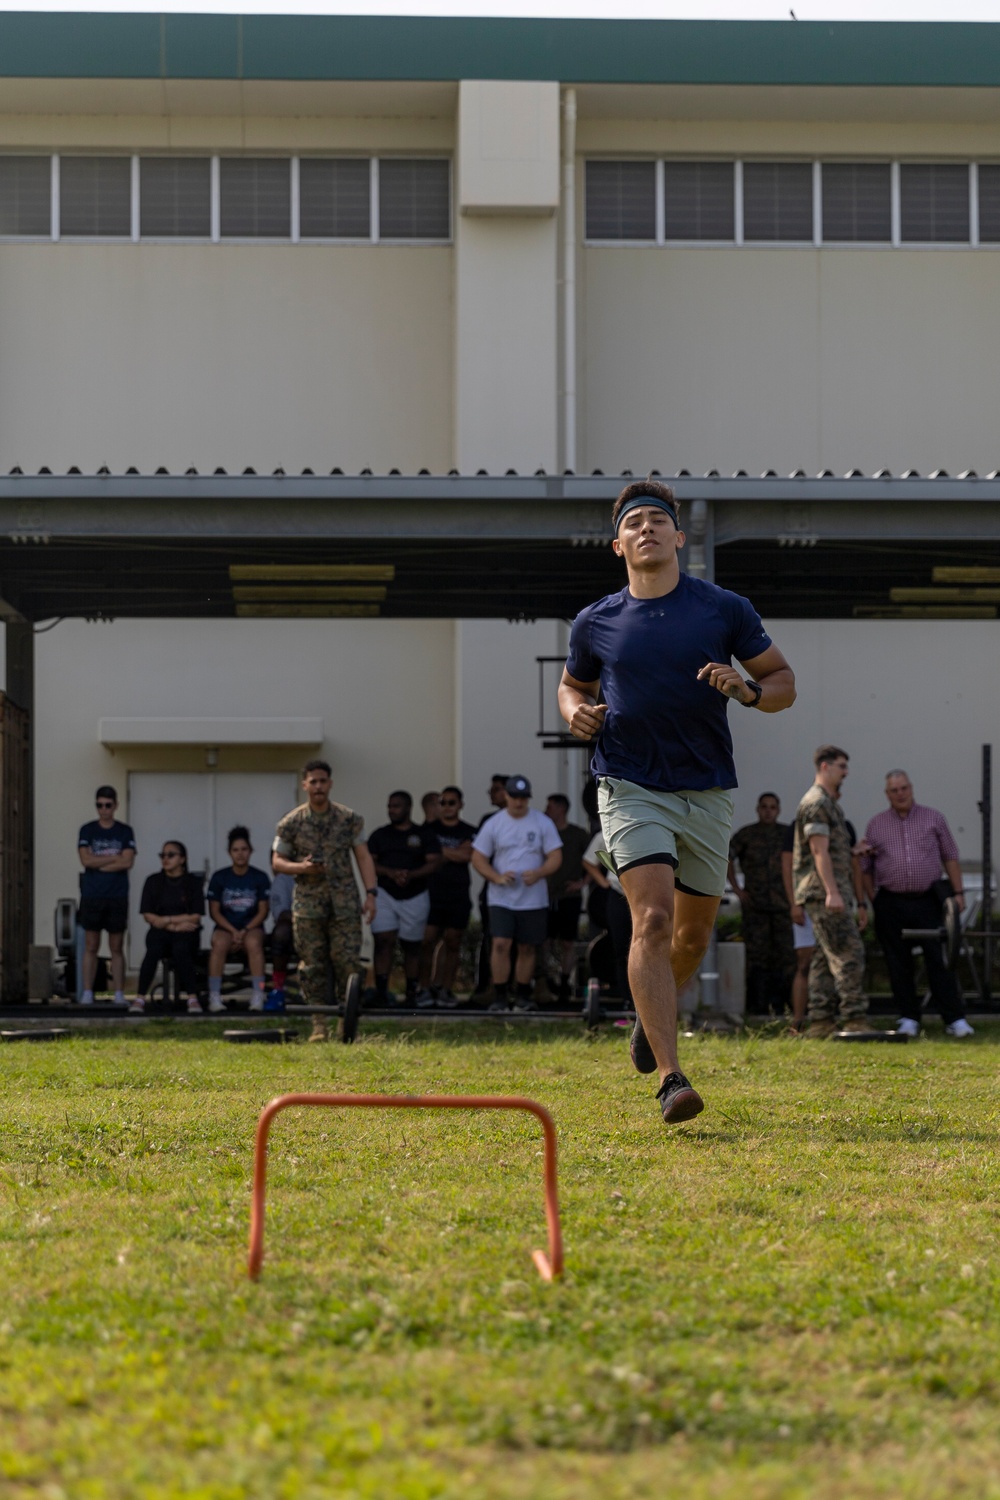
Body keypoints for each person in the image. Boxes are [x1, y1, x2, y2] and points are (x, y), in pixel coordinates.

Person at [558, 478, 795, 1124]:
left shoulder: (722, 609)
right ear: (618, 545)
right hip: (630, 783)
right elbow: (570, 685)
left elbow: (782, 683)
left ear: (680, 538)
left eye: (657, 521)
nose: (646, 529)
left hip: (708, 788)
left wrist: (745, 690)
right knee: (654, 921)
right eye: (633, 522)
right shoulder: (597, 621)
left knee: (692, 936)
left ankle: (649, 1012)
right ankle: (671, 1077)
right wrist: (577, 713)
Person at [861, 770, 972, 1038]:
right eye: (894, 790)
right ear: (887, 794)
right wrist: (872, 899)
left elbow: (950, 856)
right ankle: (909, 1017)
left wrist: (958, 893)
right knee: (897, 961)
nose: (900, 794)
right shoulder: (876, 824)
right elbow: (865, 867)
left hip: (928, 900)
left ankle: (954, 1019)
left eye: (904, 788)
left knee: (939, 959)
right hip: (891, 901)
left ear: (911, 788)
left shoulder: (933, 818)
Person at [272, 760, 377, 1042]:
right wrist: (301, 868)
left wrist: (371, 893)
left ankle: (347, 1023)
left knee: (347, 962)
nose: (318, 787)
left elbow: (363, 856)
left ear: (330, 783)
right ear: (304, 785)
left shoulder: (349, 819)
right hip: (308, 905)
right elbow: (277, 861)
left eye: (323, 781)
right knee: (312, 965)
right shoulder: (291, 822)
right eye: (313, 782)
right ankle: (319, 1024)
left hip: (344, 903)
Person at [792, 746, 869, 1037]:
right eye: (841, 766)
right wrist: (832, 892)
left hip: (825, 891)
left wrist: (853, 851)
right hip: (823, 893)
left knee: (826, 957)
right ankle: (854, 1019)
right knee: (849, 951)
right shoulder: (817, 802)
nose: (846, 773)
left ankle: (822, 1022)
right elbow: (817, 850)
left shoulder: (828, 803)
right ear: (824, 766)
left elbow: (828, 849)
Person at [471, 775, 563, 1013]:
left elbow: (555, 856)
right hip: (501, 897)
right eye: (515, 797)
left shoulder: (542, 822)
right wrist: (496, 877)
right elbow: (478, 857)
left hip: (533, 898)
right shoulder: (494, 823)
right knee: (500, 943)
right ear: (506, 796)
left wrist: (540, 872)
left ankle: (523, 994)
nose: (519, 802)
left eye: (523, 798)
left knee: (527, 947)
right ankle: (500, 995)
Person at [368, 791, 442, 1006]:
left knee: (412, 946)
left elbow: (435, 861)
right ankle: (382, 992)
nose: (392, 810)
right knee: (383, 942)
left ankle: (411, 993)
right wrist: (390, 873)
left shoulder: (424, 835)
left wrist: (412, 875)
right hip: (385, 895)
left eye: (397, 806)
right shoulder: (379, 835)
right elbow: (369, 862)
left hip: (416, 895)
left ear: (408, 808)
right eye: (390, 806)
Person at [727, 793, 794, 1015]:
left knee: (785, 958)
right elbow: (727, 856)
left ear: (779, 810)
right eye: (764, 807)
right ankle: (757, 1005)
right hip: (756, 908)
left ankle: (783, 1004)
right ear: (758, 809)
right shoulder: (747, 835)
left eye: (773, 807)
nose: (768, 811)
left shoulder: (787, 834)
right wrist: (736, 888)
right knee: (757, 959)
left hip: (783, 907)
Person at [77, 785, 136, 1006]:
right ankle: (88, 992)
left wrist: (98, 862)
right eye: (100, 805)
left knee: (116, 946)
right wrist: (113, 860)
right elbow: (85, 860)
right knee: (91, 945)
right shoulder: (87, 830)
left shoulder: (124, 831)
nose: (104, 810)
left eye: (108, 805)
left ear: (116, 806)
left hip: (117, 895)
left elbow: (127, 862)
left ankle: (119, 992)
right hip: (92, 895)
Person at [130, 841, 205, 1014]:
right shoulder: (153, 881)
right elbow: (149, 915)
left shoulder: (192, 882)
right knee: (153, 950)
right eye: (162, 855)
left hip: (186, 932)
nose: (165, 859)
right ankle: (140, 997)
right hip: (161, 932)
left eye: (171, 855)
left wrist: (167, 920)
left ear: (182, 859)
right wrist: (173, 926)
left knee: (181, 949)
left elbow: (195, 916)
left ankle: (192, 998)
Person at [419, 784, 477, 1006]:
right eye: (442, 802)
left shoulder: (468, 830)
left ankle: (445, 989)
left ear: (460, 805)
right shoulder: (428, 830)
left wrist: (441, 851)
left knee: (453, 942)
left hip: (458, 894)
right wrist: (455, 852)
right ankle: (424, 989)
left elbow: (468, 856)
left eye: (451, 802)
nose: (446, 807)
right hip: (431, 894)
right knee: (427, 941)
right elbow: (427, 857)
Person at [206, 826, 271, 1014]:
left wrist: (244, 931)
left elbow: (263, 911)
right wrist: (233, 931)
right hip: (226, 927)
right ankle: (215, 996)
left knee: (253, 944)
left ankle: (258, 995)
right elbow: (214, 911)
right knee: (218, 943)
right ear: (229, 853)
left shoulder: (260, 877)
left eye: (244, 849)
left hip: (252, 926)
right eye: (236, 850)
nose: (240, 854)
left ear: (250, 851)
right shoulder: (220, 877)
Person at [544, 793, 592, 1004]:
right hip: (546, 897)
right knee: (545, 941)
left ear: (561, 809)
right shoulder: (544, 833)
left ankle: (565, 982)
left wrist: (583, 883)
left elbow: (595, 858)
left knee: (567, 943)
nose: (546, 811)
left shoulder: (577, 834)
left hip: (569, 897)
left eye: (550, 807)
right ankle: (546, 981)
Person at [582, 826, 633, 1007]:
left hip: (646, 896)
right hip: (618, 895)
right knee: (621, 950)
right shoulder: (609, 828)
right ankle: (627, 1000)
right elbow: (589, 860)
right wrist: (603, 882)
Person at [474, 775, 509, 996]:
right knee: (491, 939)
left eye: (495, 789)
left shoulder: (531, 820)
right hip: (494, 890)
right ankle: (487, 986)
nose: (490, 793)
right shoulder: (489, 821)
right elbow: (480, 855)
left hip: (525, 893)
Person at [781, 822, 814, 1033]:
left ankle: (826, 1019)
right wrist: (794, 903)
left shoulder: (842, 824)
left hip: (834, 906)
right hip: (806, 904)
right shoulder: (796, 828)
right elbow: (787, 866)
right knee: (805, 963)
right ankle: (798, 1022)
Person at [267, 868, 296, 1011]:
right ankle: (278, 989)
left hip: (319, 928)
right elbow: (282, 914)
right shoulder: (283, 878)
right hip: (295, 927)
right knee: (281, 932)